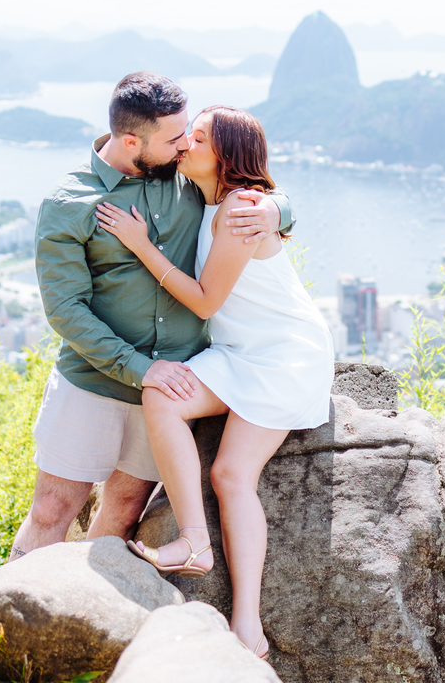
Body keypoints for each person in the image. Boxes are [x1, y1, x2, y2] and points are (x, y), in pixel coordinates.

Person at [9, 73, 295, 561]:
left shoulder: (188, 175)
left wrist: (275, 210)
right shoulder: (69, 203)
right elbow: (65, 310)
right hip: (93, 381)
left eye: (187, 132)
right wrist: (142, 369)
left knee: (123, 509)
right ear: (130, 141)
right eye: (173, 137)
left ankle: (86, 621)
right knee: (52, 510)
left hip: (171, 391)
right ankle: (4, 624)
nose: (185, 144)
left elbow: (252, 190)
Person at [95, 105, 333, 659]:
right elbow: (125, 148)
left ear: (224, 154)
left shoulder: (241, 209)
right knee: (162, 394)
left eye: (197, 138)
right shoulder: (202, 198)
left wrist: (140, 245)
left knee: (230, 474)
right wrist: (282, 206)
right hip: (234, 352)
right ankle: (195, 544)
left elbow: (206, 300)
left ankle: (246, 622)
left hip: (282, 356)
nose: (185, 144)